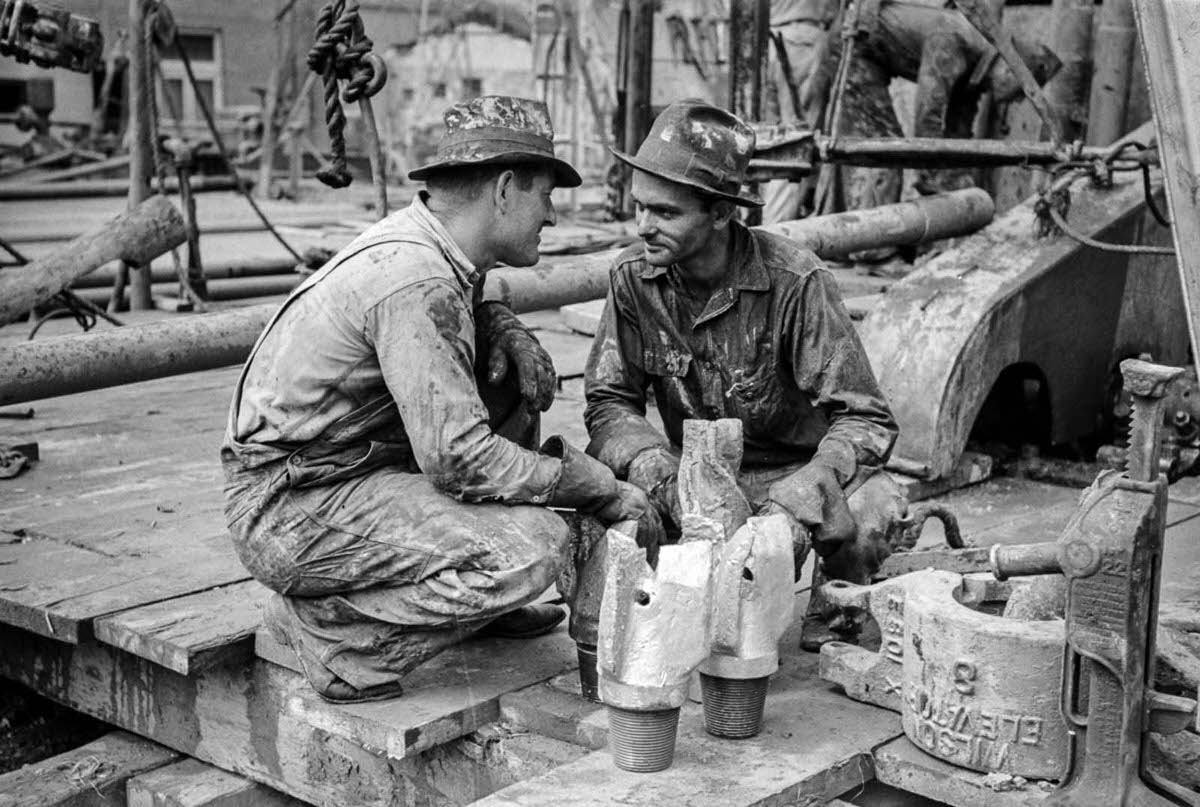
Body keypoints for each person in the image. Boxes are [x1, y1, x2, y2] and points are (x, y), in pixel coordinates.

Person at [221, 96, 662, 703]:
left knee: (513, 376)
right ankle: (341, 640)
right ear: (505, 191)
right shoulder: (417, 280)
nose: (552, 216)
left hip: (343, 467)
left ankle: (474, 613)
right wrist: (589, 484)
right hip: (289, 507)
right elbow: (459, 459)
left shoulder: (439, 251)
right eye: (545, 195)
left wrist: (499, 321)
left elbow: (457, 314)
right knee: (536, 549)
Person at [583, 100, 904, 649]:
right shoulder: (633, 280)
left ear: (721, 214)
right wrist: (656, 467)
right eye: (639, 208)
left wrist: (809, 487)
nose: (644, 227)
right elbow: (610, 402)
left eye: (664, 213)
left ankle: (836, 613)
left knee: (874, 511)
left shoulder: (796, 282)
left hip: (789, 474)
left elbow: (865, 418)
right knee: (606, 510)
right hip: (690, 477)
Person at [804, 0, 1061, 211]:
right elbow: (929, 115)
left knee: (887, 150)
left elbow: (957, 137)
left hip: (872, 56)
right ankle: (875, 253)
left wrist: (956, 178)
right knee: (884, 147)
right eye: (1020, 91)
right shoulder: (956, 40)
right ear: (1010, 70)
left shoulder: (976, 72)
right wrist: (931, 179)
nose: (1017, 100)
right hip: (854, 46)